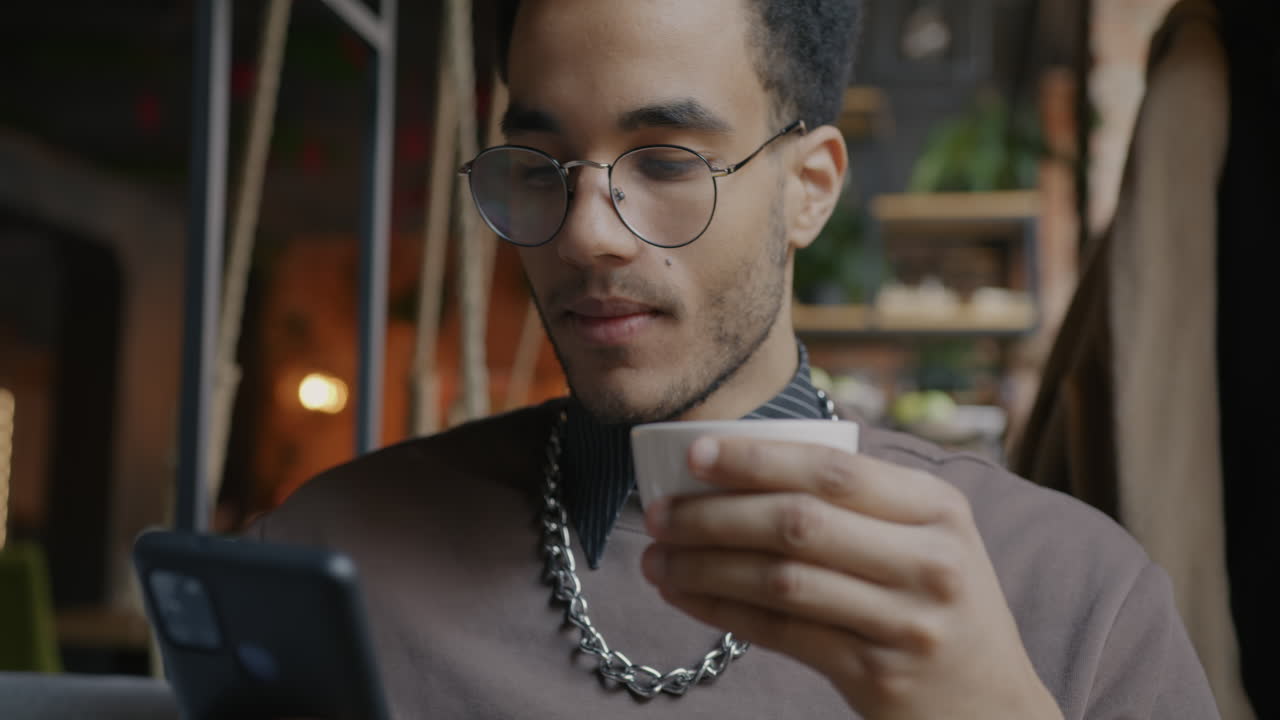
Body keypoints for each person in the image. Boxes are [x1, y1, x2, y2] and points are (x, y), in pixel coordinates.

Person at [250, 0, 1220, 717]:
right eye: (540, 168)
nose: (588, 235)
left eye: (667, 163)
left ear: (808, 189)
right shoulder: (330, 562)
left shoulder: (1070, 596)